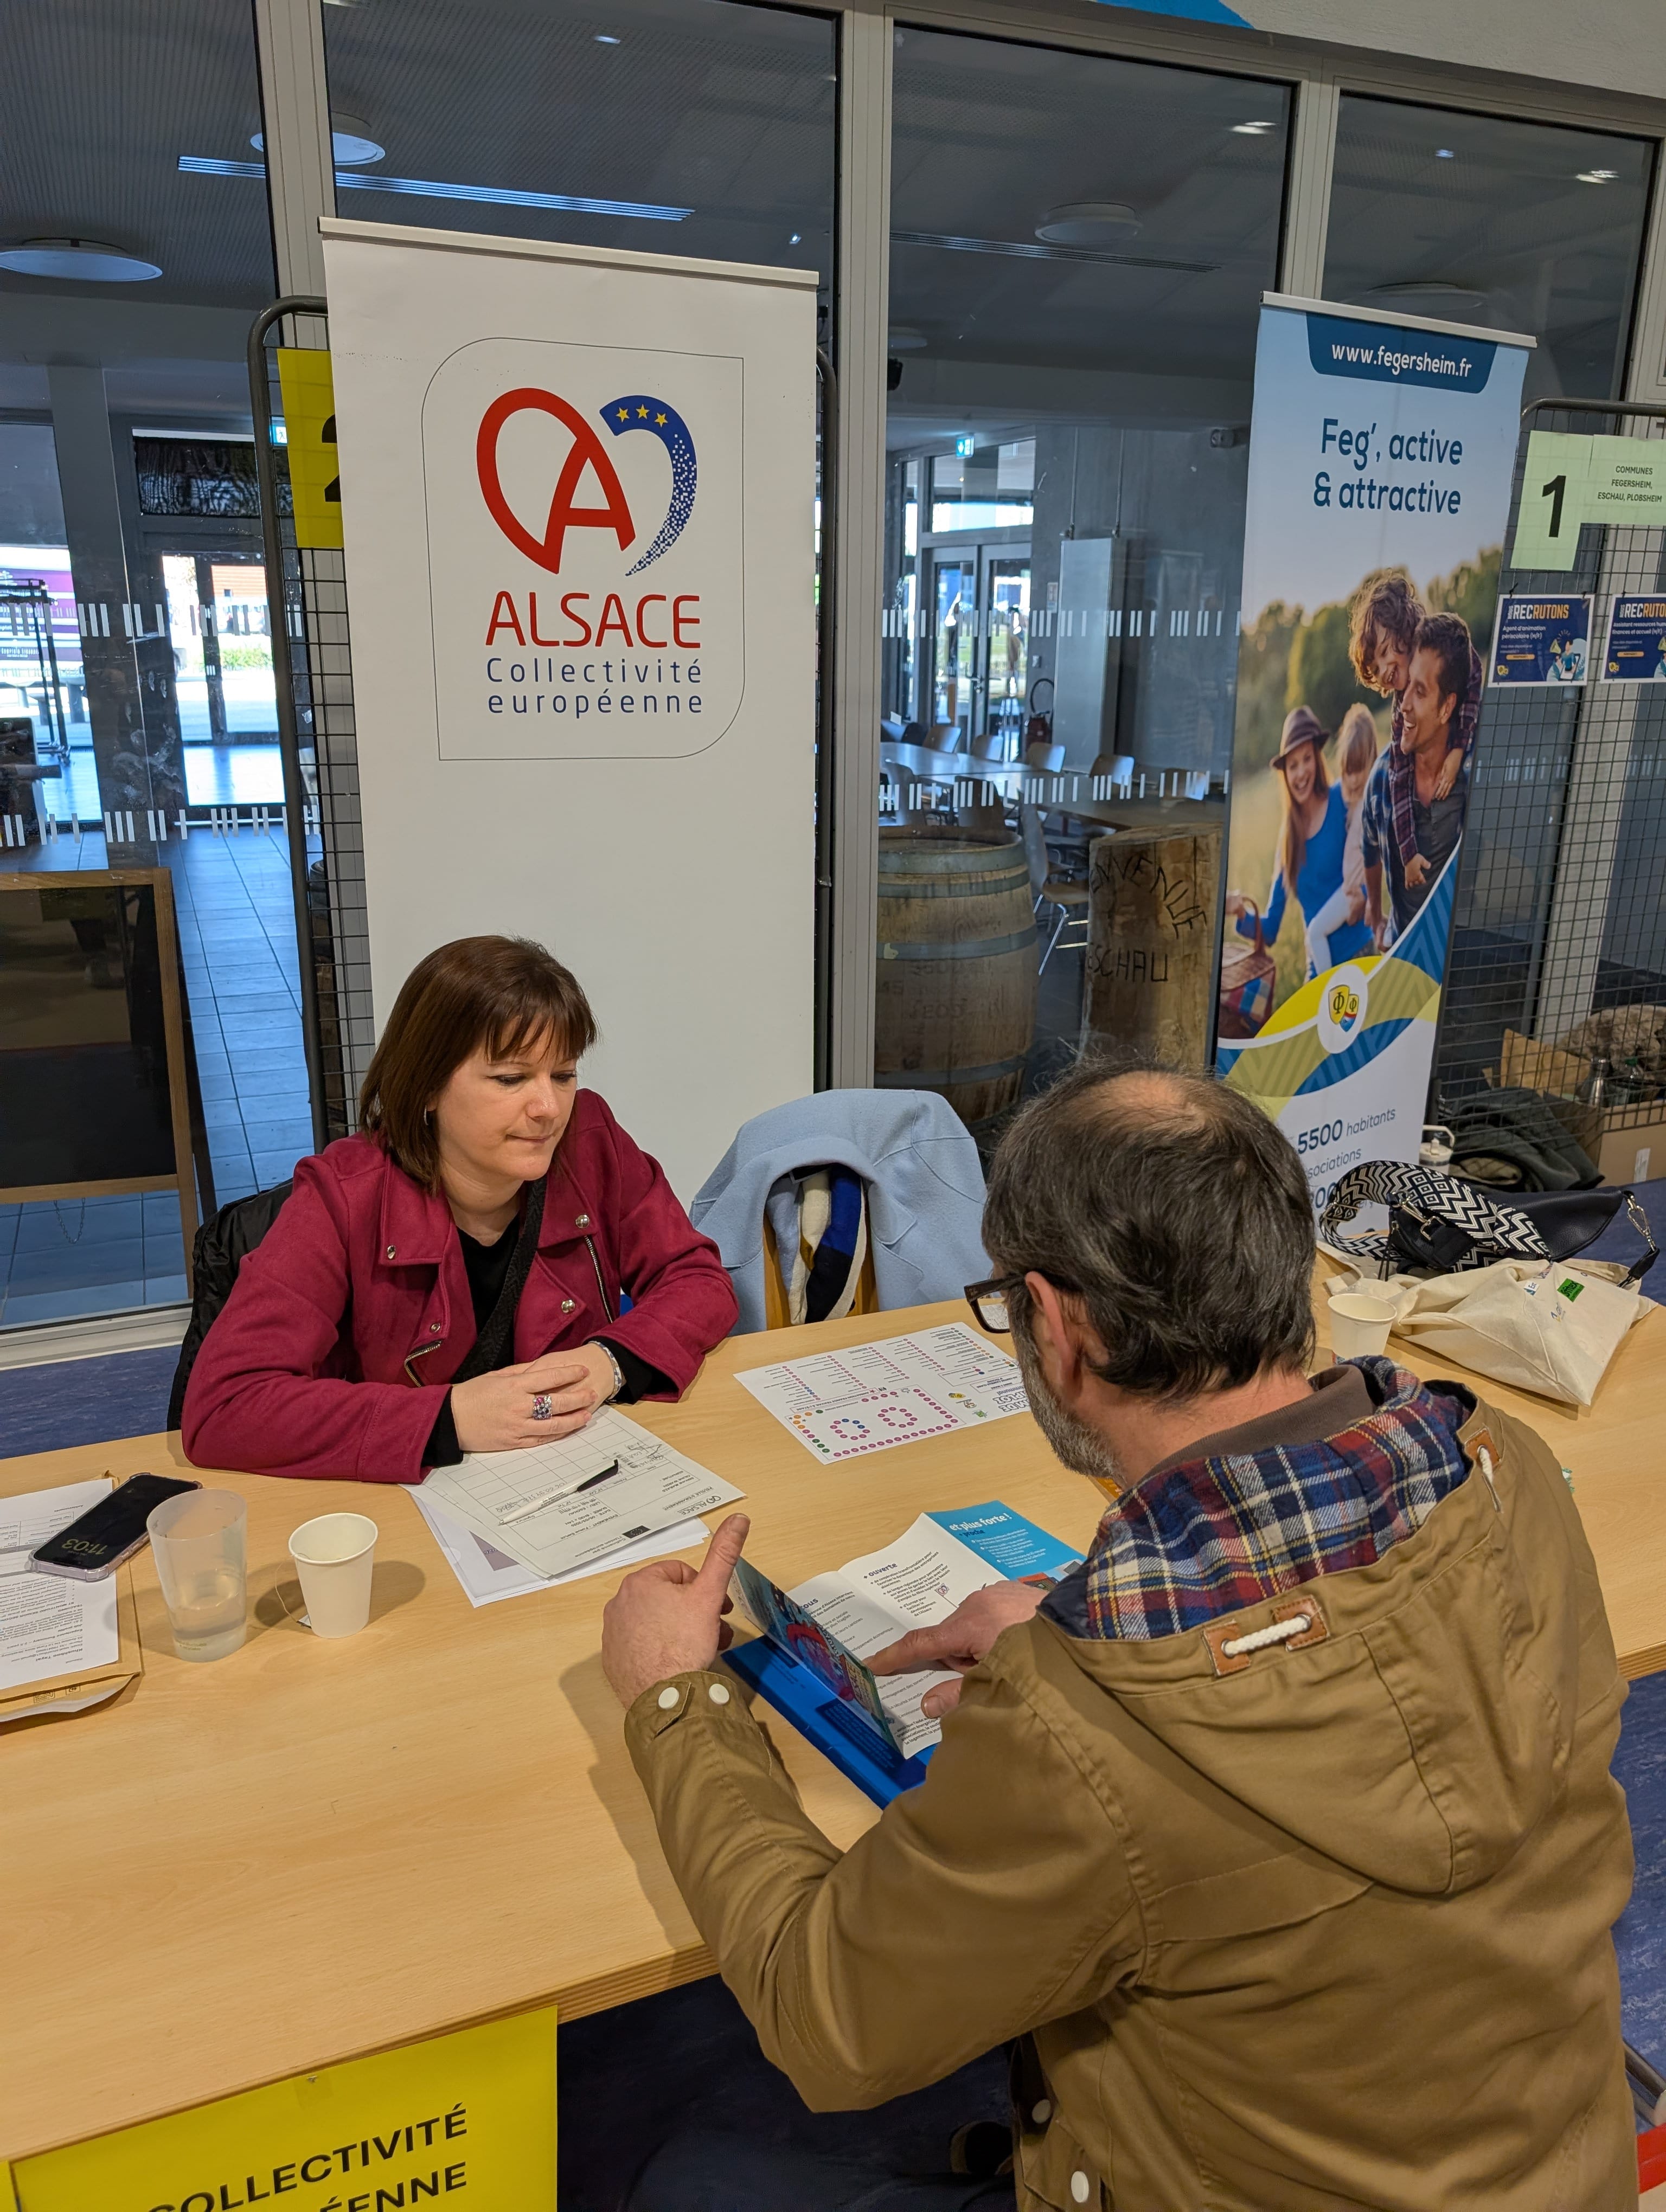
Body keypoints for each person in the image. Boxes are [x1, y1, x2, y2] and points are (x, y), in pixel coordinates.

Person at [601, 1065, 1633, 2212]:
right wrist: (1074, 1625)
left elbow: (826, 2019)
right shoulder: (1503, 1470)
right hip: (1557, 2167)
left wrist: (673, 1700)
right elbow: (1359, 1660)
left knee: (689, 2173)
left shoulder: (1084, 1718)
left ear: (1058, 1325)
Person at [182, 934, 737, 1482]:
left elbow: (697, 1280)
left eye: (563, 1075)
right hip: (406, 1509)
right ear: (426, 1085)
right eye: (511, 1078)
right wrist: (449, 1418)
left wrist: (608, 1362)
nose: (548, 1107)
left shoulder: (591, 1141)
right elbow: (224, 1408)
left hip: (569, 1480)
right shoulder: (342, 1197)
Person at [1348, 570, 1482, 893]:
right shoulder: (1401, 718)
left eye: (1384, 654)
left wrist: (1458, 750)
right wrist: (1408, 855)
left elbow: (1474, 676)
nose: (1383, 672)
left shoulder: (1440, 647)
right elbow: (1399, 782)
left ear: (1405, 632)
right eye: (1375, 669)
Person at [1223, 706, 1370, 981]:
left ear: (1317, 759)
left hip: (1359, 954)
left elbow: (1366, 861)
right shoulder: (1288, 842)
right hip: (1318, 975)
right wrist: (1239, 911)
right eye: (1293, 765)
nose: (1301, 772)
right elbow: (1270, 932)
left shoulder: (1342, 800)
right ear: (1285, 774)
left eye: (1307, 759)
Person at [1362, 611, 1472, 947]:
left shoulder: (1475, 777)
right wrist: (1376, 911)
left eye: (1419, 691)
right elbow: (1370, 846)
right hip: (1405, 965)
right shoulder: (1381, 780)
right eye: (1405, 686)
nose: (1403, 705)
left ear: (1446, 707)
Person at [1301, 702, 1379, 976]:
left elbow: (1380, 856)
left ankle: (1325, 986)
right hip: (1348, 889)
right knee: (1314, 932)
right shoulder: (1348, 795)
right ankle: (1325, 983)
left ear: (1371, 762)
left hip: (1354, 890)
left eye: (1359, 770)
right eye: (1348, 771)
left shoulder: (1372, 801)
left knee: (1316, 932)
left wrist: (1370, 900)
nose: (1354, 779)